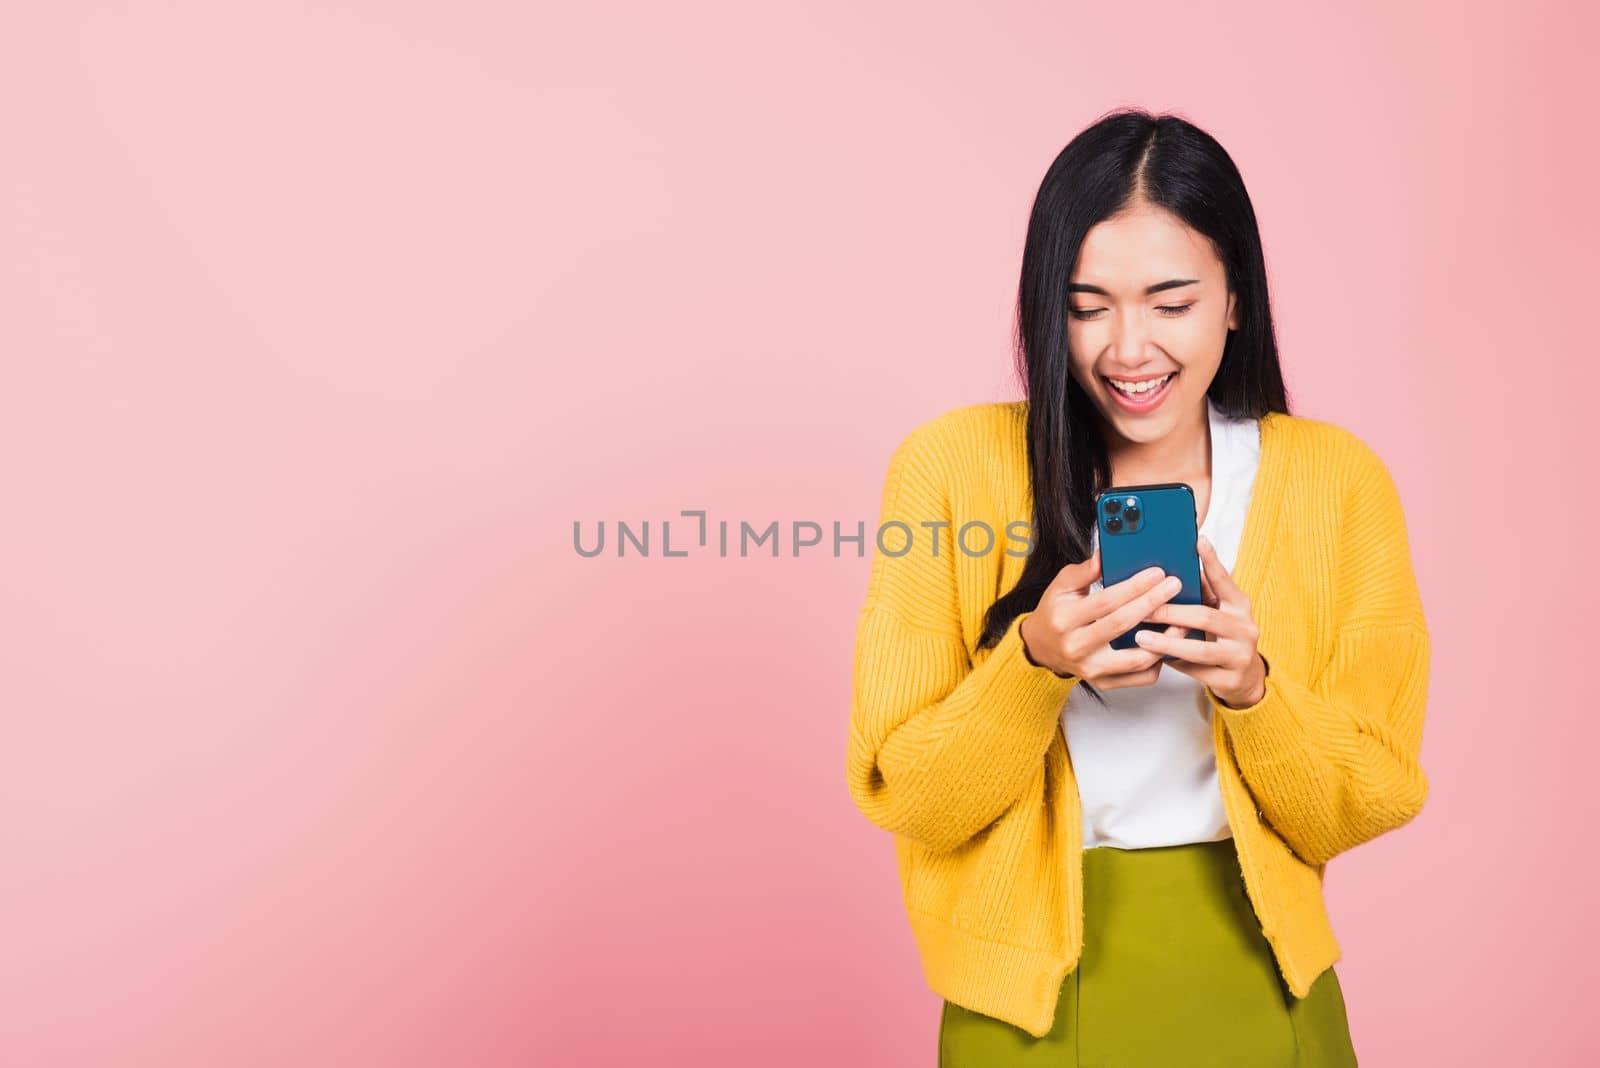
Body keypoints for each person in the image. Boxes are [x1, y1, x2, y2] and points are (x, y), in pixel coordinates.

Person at [845, 108, 1430, 1067]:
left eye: (1171, 303)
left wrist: (1255, 690)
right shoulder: (951, 469)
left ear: (1235, 299)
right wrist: (1033, 665)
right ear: (1046, 307)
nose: (1128, 349)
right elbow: (906, 796)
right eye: (1087, 307)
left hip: (1263, 978)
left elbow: (1368, 798)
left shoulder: (1337, 482)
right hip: (1026, 1000)